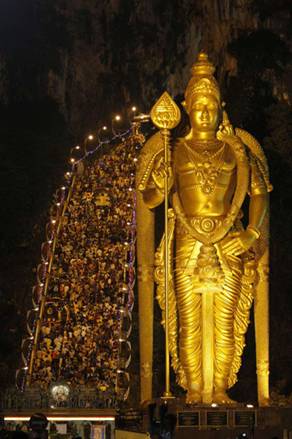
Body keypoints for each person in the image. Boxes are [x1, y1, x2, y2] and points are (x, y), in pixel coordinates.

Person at [138, 52, 272, 404]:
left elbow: (259, 194)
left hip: (229, 238)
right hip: (186, 237)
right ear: (186, 106)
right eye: (198, 105)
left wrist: (250, 234)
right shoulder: (175, 150)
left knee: (225, 320)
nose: (205, 112)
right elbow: (151, 199)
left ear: (220, 106)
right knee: (188, 319)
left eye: (211, 105)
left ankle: (220, 389)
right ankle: (194, 389)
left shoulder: (236, 150)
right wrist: (162, 178)